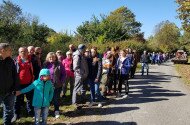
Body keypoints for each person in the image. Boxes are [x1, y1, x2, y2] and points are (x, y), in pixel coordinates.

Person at [0, 43, 19, 125]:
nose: (11, 51)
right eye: (9, 50)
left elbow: (15, 75)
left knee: (9, 110)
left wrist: (17, 88)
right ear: (2, 50)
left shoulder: (10, 61)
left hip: (10, 91)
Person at [14, 47, 34, 120]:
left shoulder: (30, 60)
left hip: (29, 83)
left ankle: (31, 112)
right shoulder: (15, 61)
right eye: (22, 51)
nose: (24, 53)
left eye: (25, 51)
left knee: (30, 99)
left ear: (27, 52)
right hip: (18, 84)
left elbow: (32, 72)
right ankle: (16, 114)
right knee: (17, 100)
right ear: (19, 53)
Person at [43, 52, 66, 118]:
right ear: (48, 58)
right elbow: (41, 74)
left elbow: (64, 74)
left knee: (56, 99)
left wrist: (61, 82)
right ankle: (46, 111)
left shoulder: (59, 64)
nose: (51, 58)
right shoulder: (45, 64)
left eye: (53, 57)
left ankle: (56, 111)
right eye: (50, 57)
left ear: (55, 57)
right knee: (47, 99)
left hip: (57, 85)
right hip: (47, 85)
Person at [72, 44, 89, 108]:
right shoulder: (77, 56)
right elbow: (76, 67)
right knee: (76, 88)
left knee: (83, 88)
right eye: (84, 49)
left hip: (83, 75)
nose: (85, 50)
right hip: (79, 75)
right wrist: (83, 73)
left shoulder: (81, 55)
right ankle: (74, 102)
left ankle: (83, 99)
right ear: (82, 49)